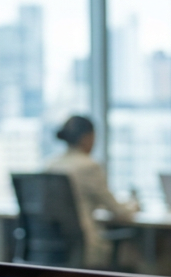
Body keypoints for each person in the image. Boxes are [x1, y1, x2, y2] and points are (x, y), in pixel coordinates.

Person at [44, 115, 138, 269]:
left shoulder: (50, 165)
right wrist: (134, 206)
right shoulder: (89, 166)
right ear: (86, 138)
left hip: (53, 249)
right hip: (84, 248)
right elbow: (118, 211)